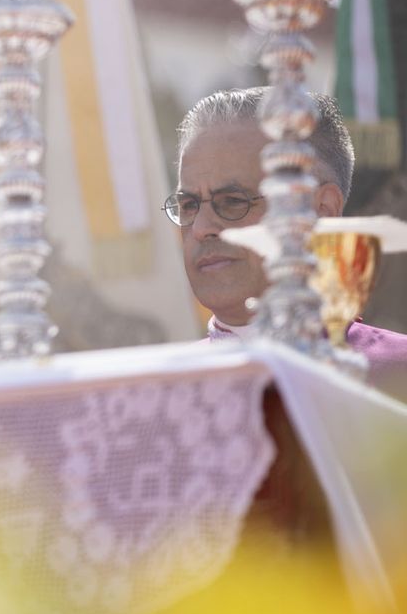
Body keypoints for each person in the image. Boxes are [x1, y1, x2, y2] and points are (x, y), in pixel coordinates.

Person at [169, 87, 407, 389]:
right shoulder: (148, 394)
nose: (201, 227)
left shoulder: (399, 375)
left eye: (232, 201)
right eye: (188, 205)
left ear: (322, 210)